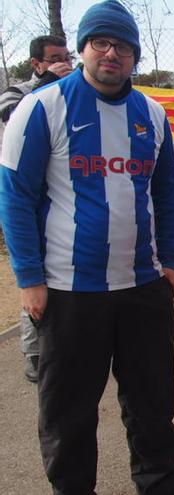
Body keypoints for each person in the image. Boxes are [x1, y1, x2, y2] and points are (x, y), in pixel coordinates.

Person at [0, 2, 174, 494]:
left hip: (142, 285)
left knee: (153, 398)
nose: (111, 53)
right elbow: (15, 197)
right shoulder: (41, 107)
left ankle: (159, 480)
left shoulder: (151, 114)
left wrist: (169, 263)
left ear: (134, 55)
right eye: (101, 43)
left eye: (122, 46)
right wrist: (29, 279)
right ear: (83, 49)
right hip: (70, 289)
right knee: (68, 407)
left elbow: (163, 189)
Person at [0, 35, 73, 384]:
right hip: (30, 202)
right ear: (36, 63)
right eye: (54, 58)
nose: (63, 62)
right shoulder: (19, 92)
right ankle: (34, 353)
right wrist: (48, 83)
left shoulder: (71, 94)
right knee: (35, 281)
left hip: (63, 205)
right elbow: (11, 116)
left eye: (66, 56)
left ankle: (64, 349)